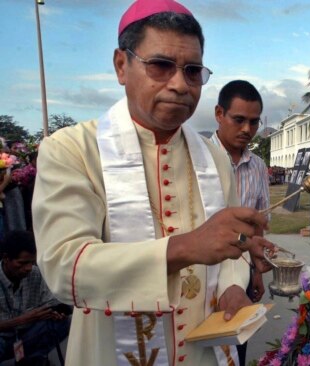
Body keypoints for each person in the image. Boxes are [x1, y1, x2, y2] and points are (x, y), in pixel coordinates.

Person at [32, 1, 271, 365]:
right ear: (121, 66)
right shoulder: (73, 150)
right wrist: (187, 247)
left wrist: (232, 286)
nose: (179, 84)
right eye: (160, 66)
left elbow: (230, 250)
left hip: (203, 353)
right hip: (110, 353)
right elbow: (65, 268)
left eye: (192, 71)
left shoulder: (213, 158)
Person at [211, 80, 274, 365]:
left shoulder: (258, 165)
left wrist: (257, 272)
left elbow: (259, 222)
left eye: (254, 122)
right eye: (238, 120)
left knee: (237, 346)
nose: (247, 129)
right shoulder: (198, 158)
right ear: (218, 114)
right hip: (203, 274)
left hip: (244, 272)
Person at [0, 231, 70, 365]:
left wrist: (55, 313)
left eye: (31, 262)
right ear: (6, 258)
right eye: (22, 263)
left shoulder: (35, 273)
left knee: (61, 324)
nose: (28, 268)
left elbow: (52, 302)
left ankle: (32, 359)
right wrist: (22, 320)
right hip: (3, 339)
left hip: (26, 335)